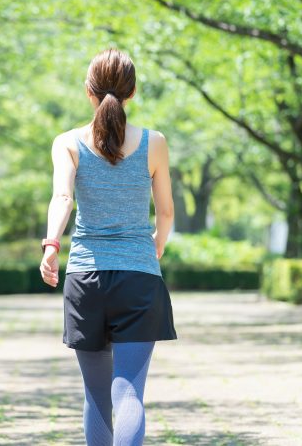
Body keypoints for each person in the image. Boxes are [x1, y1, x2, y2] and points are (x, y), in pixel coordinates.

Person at [40, 47, 178, 445]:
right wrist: (156, 246)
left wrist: (52, 246)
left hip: (86, 278)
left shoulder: (67, 142)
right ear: (132, 93)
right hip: (139, 278)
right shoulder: (155, 143)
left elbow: (62, 199)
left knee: (97, 397)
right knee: (130, 393)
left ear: (88, 91)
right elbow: (165, 213)